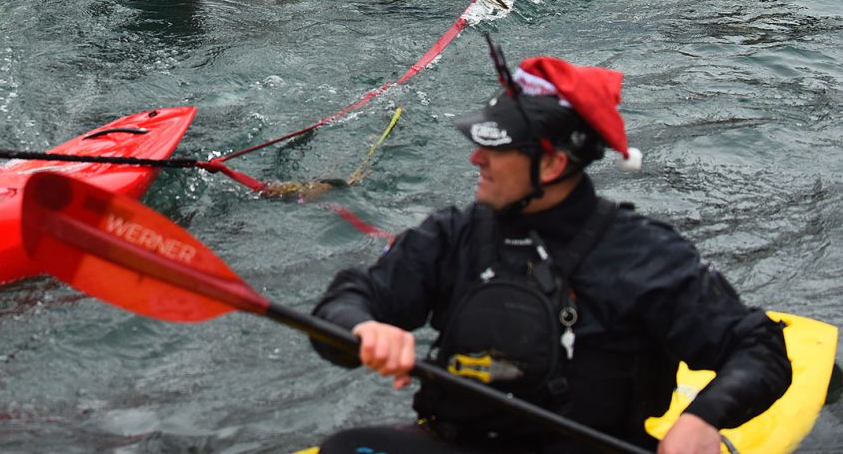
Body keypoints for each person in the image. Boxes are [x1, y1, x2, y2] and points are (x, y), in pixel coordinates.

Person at [310, 50, 792, 454]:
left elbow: (759, 350)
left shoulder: (643, 254)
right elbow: (346, 301)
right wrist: (362, 328)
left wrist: (704, 418)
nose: (475, 159)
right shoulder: (454, 235)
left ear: (555, 162)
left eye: (495, 149)